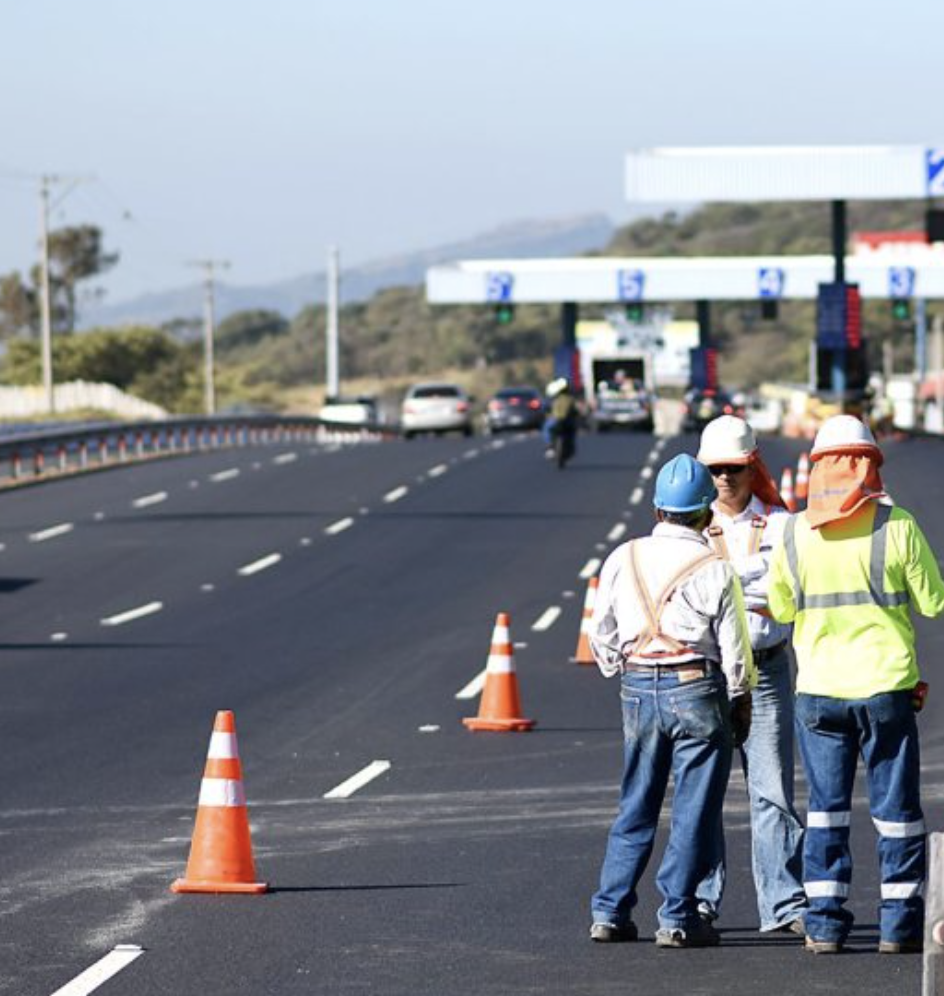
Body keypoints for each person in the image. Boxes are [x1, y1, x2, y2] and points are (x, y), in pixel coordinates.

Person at [768, 415, 944, 955]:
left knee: (825, 809)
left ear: (818, 465)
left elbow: (780, 607)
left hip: (819, 692)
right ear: (870, 464)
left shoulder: (794, 531)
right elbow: (934, 602)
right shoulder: (899, 526)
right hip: (885, 690)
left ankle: (823, 922)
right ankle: (899, 925)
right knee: (896, 813)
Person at [588, 453, 756, 948]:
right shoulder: (715, 567)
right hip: (697, 689)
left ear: (659, 510)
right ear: (707, 514)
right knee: (693, 809)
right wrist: (740, 700)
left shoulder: (625, 557)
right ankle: (678, 916)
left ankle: (610, 910)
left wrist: (624, 666)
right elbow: (735, 651)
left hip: (639, 687)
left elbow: (602, 634)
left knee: (636, 803)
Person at [694, 416, 807, 935]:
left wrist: (738, 586)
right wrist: (752, 586)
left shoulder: (782, 525)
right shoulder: (689, 528)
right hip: (710, 677)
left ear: (751, 465)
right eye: (714, 469)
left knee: (773, 792)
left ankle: (783, 902)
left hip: (766, 672)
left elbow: (792, 592)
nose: (724, 478)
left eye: (733, 469)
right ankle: (697, 900)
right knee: (705, 792)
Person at [543, 377, 578, 460]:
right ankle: (551, 446)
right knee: (547, 428)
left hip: (559, 421)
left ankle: (550, 447)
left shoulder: (560, 398)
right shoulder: (568, 398)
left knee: (548, 428)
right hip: (562, 421)